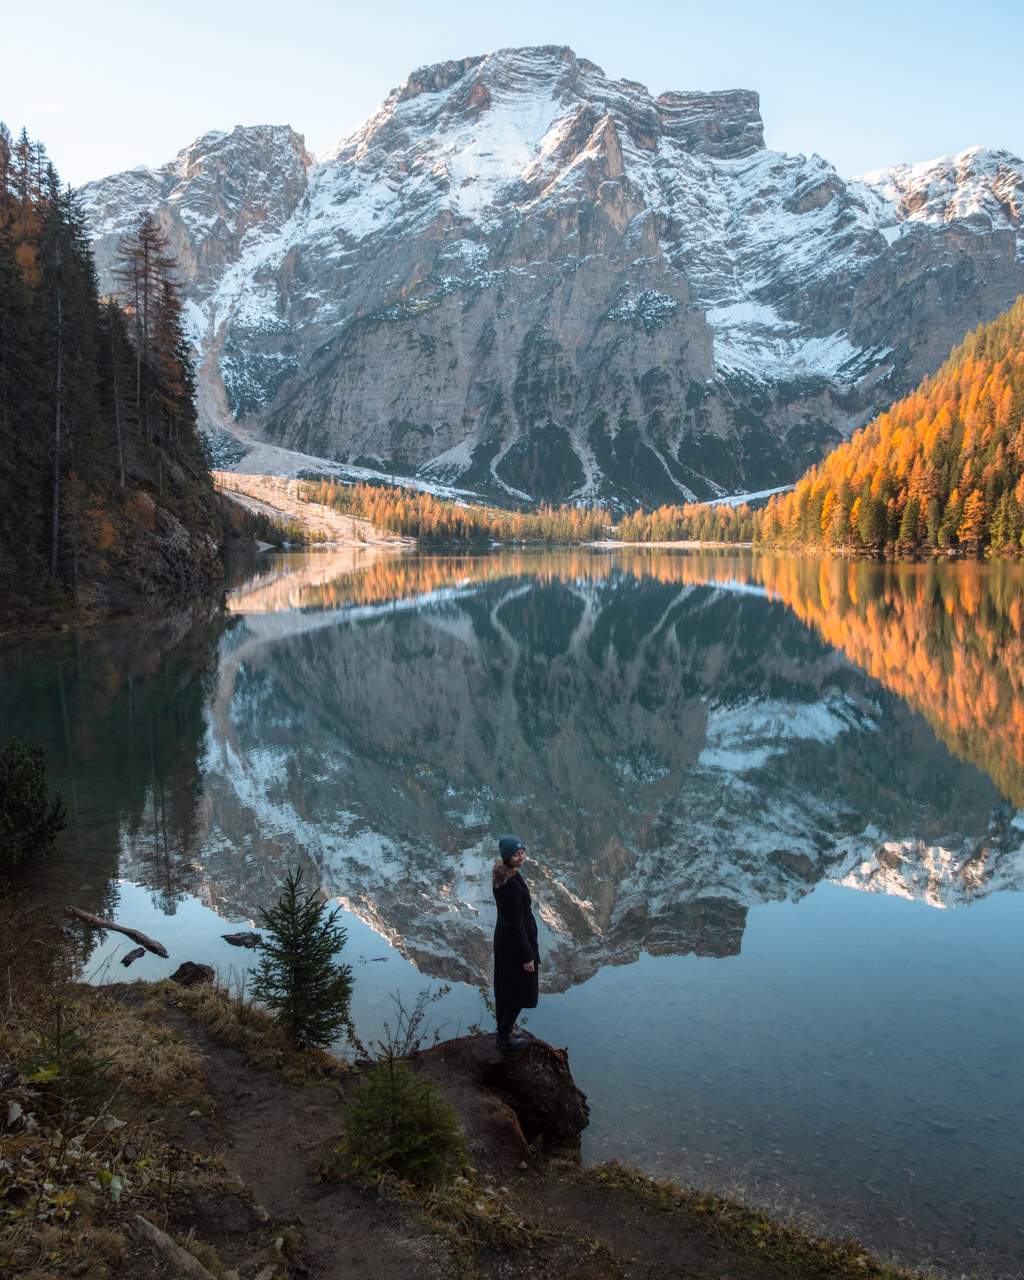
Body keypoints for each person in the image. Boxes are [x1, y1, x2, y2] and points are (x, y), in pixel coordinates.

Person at [492, 833, 540, 1050]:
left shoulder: (504, 876)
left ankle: (506, 1026)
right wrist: (527, 956)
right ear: (507, 857)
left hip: (505, 940)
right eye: (516, 855)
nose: (521, 858)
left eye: (522, 853)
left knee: (506, 985)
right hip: (515, 943)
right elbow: (515, 923)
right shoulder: (510, 885)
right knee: (519, 989)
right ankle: (504, 1036)